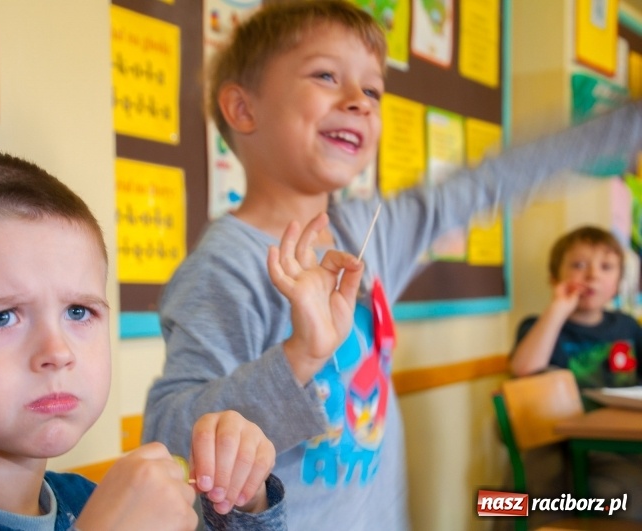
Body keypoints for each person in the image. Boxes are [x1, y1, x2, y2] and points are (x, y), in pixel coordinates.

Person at [141, 0, 642, 529]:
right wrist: (298, 358)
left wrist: (627, 126)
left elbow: (494, 178)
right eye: (326, 75)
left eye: (373, 90)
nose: (359, 101)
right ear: (244, 110)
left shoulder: (366, 231)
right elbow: (172, 434)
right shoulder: (226, 265)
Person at [0, 148, 286, 531]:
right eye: (2, 317)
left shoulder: (89, 502)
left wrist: (245, 506)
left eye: (78, 312)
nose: (57, 352)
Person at [506, 225, 642, 524]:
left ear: (619, 281)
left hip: (617, 444)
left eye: (606, 267)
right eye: (579, 265)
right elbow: (524, 368)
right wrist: (558, 309)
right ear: (555, 278)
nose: (592, 275)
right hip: (558, 445)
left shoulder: (628, 327)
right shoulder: (538, 326)